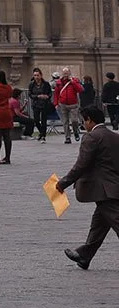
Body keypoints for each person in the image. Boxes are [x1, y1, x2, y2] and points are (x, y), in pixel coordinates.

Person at [60, 103, 119, 269]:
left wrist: (64, 182)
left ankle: (84, 255)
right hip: (112, 187)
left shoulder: (91, 137)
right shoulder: (115, 136)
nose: (84, 125)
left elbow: (81, 165)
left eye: (84, 121)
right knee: (99, 225)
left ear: (90, 120)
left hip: (103, 190)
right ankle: (84, 255)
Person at [56, 68, 86, 144]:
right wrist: (56, 103)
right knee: (65, 122)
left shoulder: (75, 81)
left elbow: (80, 90)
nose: (65, 75)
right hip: (63, 104)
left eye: (67, 73)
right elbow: (56, 93)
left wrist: (72, 82)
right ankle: (67, 137)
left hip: (73, 105)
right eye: (64, 73)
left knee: (74, 121)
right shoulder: (59, 82)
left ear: (69, 73)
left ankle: (75, 131)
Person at [28, 70, 56, 143]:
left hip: (44, 104)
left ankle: (43, 136)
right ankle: (41, 132)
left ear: (41, 75)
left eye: (37, 75)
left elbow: (50, 93)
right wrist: (37, 96)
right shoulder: (31, 84)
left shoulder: (46, 84)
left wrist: (47, 96)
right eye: (35, 75)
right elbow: (30, 94)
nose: (36, 77)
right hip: (36, 104)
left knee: (44, 120)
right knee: (36, 120)